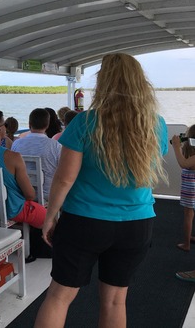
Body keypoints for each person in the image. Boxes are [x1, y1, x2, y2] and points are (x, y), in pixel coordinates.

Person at [34, 53, 169, 328]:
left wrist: (50, 217)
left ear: (104, 82)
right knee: (115, 301)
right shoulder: (156, 125)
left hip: (84, 221)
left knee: (60, 296)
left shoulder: (84, 122)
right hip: (136, 224)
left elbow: (63, 180)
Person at [11, 108, 61, 200]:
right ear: (47, 125)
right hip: (48, 195)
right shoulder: (55, 145)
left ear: (29, 124)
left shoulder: (16, 144)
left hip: (22, 193)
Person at [172, 124, 195, 252]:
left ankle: (186, 244)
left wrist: (176, 147)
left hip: (191, 190)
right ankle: (190, 236)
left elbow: (183, 163)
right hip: (191, 189)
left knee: (188, 214)